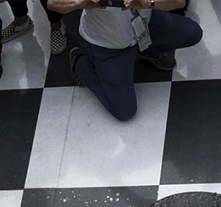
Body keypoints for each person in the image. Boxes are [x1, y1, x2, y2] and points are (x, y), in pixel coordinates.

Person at [55, 0, 202, 122]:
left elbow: (179, 2)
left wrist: (149, 2)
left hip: (147, 25)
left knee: (192, 33)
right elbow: (53, 3)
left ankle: (147, 51)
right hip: (109, 47)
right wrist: (83, 2)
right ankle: (80, 63)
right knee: (124, 110)